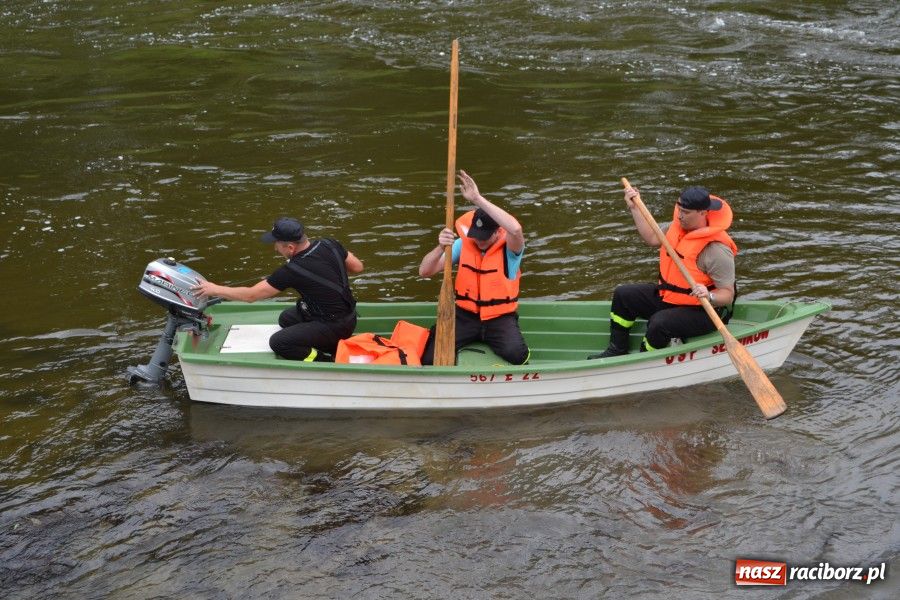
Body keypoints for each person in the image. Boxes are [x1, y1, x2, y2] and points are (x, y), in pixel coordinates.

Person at [588, 184, 737, 358]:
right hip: (670, 298)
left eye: (686, 212)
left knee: (659, 323)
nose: (680, 215)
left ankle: (645, 358)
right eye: (679, 209)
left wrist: (708, 295)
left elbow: (727, 295)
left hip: (703, 311)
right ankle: (617, 349)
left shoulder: (716, 251)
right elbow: (652, 238)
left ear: (703, 213)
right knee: (624, 294)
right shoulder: (677, 228)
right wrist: (635, 208)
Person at [192, 217, 364, 361]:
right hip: (349, 316)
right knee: (286, 318)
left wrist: (214, 289)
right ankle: (329, 341)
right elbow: (357, 267)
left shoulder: (291, 271)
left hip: (334, 326)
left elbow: (251, 296)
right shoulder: (329, 243)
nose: (275, 248)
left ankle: (325, 359)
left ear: (290, 247)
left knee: (279, 342)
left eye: (277, 244)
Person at [418, 170, 529, 365]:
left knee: (517, 356)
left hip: (499, 317)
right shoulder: (464, 244)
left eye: (485, 237)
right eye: (476, 236)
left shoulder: (510, 249)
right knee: (429, 358)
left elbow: (516, 229)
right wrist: (440, 247)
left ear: (497, 232)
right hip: (465, 316)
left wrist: (477, 198)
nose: (479, 241)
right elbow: (425, 272)